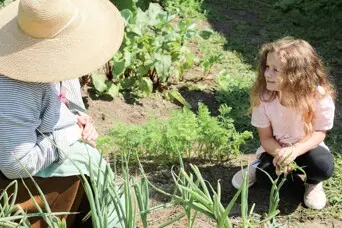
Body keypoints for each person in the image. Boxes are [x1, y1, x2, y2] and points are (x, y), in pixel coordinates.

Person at [0, 0, 124, 227]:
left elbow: (66, 100)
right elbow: (15, 165)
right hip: (13, 175)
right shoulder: (14, 88)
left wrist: (80, 118)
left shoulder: (60, 62)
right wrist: (70, 134)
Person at [231, 37, 335, 210]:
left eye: (276, 70)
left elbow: (319, 133)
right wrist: (281, 155)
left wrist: (295, 151)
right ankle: (257, 167)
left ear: (297, 75)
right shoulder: (264, 98)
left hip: (306, 148)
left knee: (322, 166)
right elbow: (266, 138)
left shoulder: (319, 97)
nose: (267, 74)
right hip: (275, 148)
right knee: (277, 185)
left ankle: (313, 183)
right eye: (267, 67)